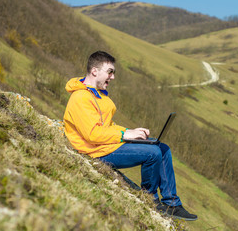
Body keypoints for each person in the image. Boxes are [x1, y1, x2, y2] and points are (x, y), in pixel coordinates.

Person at [63, 51, 197, 221]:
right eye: (110, 72)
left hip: (106, 145)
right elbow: (92, 134)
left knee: (161, 148)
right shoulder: (81, 98)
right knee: (152, 153)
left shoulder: (99, 95)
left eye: (113, 73)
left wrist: (133, 133)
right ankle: (150, 199)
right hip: (93, 150)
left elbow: (107, 127)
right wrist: (125, 134)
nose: (112, 77)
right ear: (95, 71)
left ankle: (172, 204)